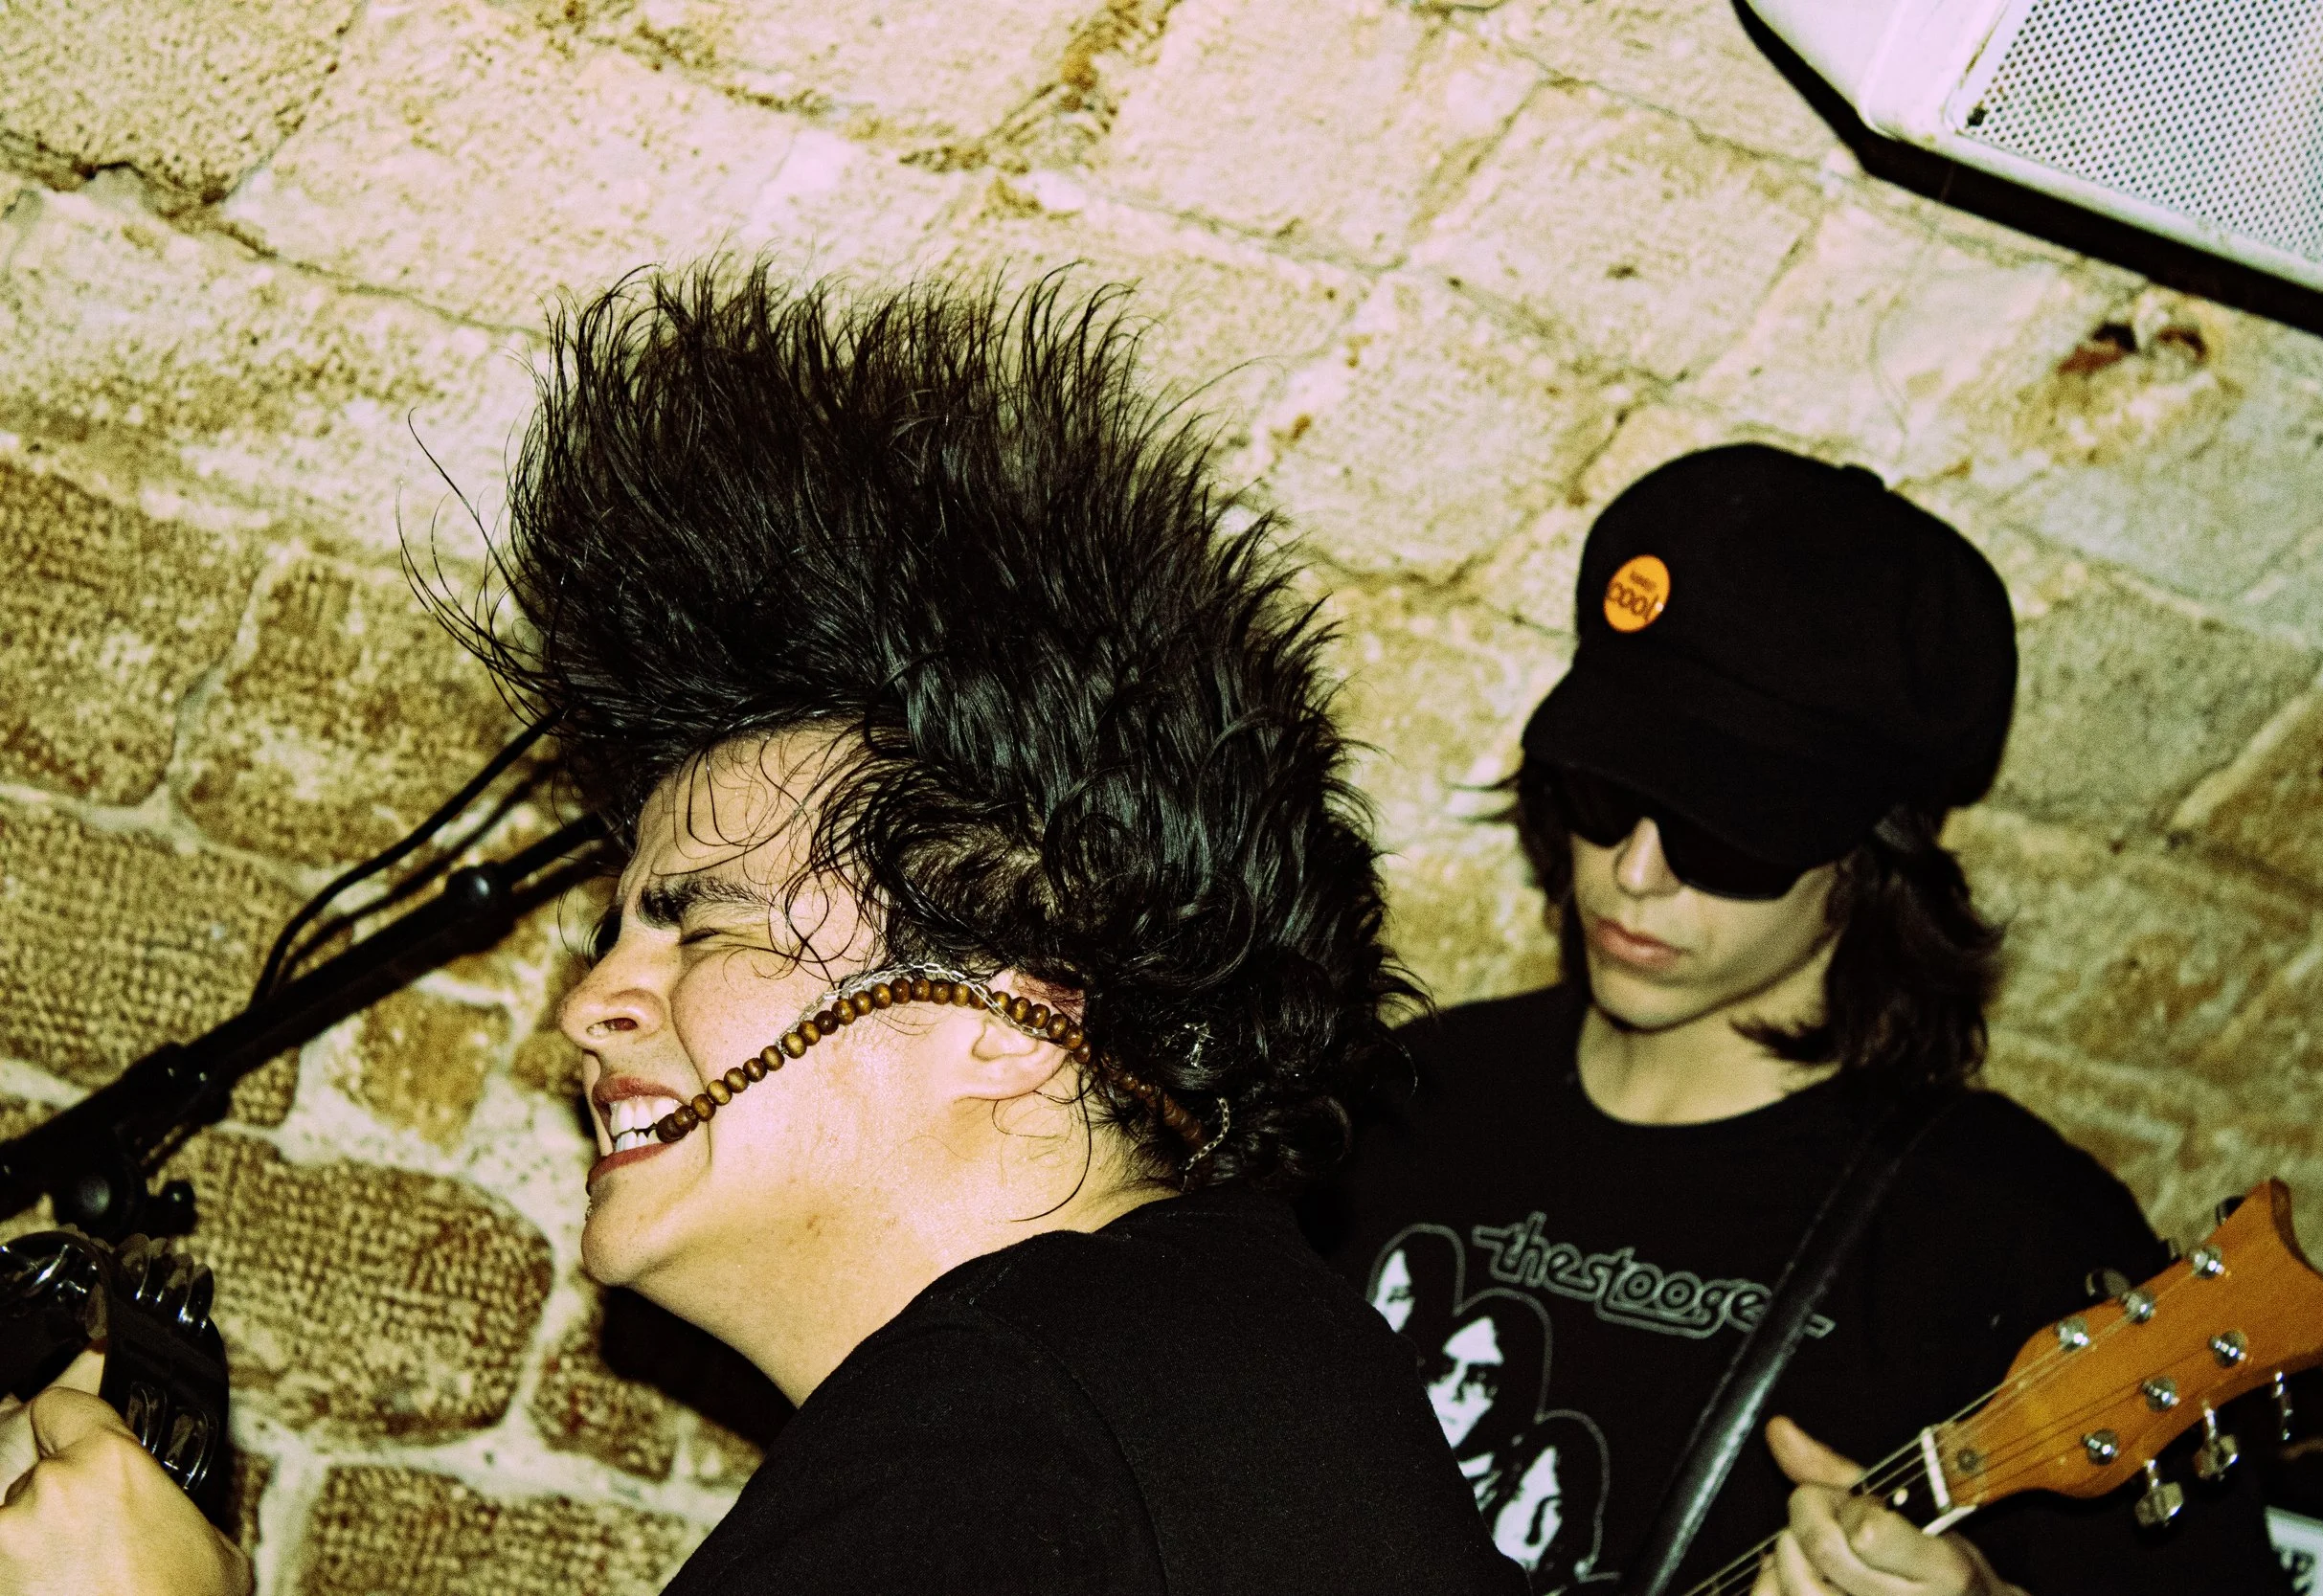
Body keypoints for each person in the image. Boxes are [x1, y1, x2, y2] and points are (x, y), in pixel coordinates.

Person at [0, 269, 1529, 1596]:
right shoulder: (1202, 1372)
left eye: (698, 926)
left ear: (1012, 1018)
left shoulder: (1008, 1430)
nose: (589, 1005)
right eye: (616, 932)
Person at [1308, 444, 2293, 1596]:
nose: (1634, 871)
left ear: (1872, 855)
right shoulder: (1402, 1096)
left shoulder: (2009, 1233)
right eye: (1603, 793)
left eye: (1725, 831)